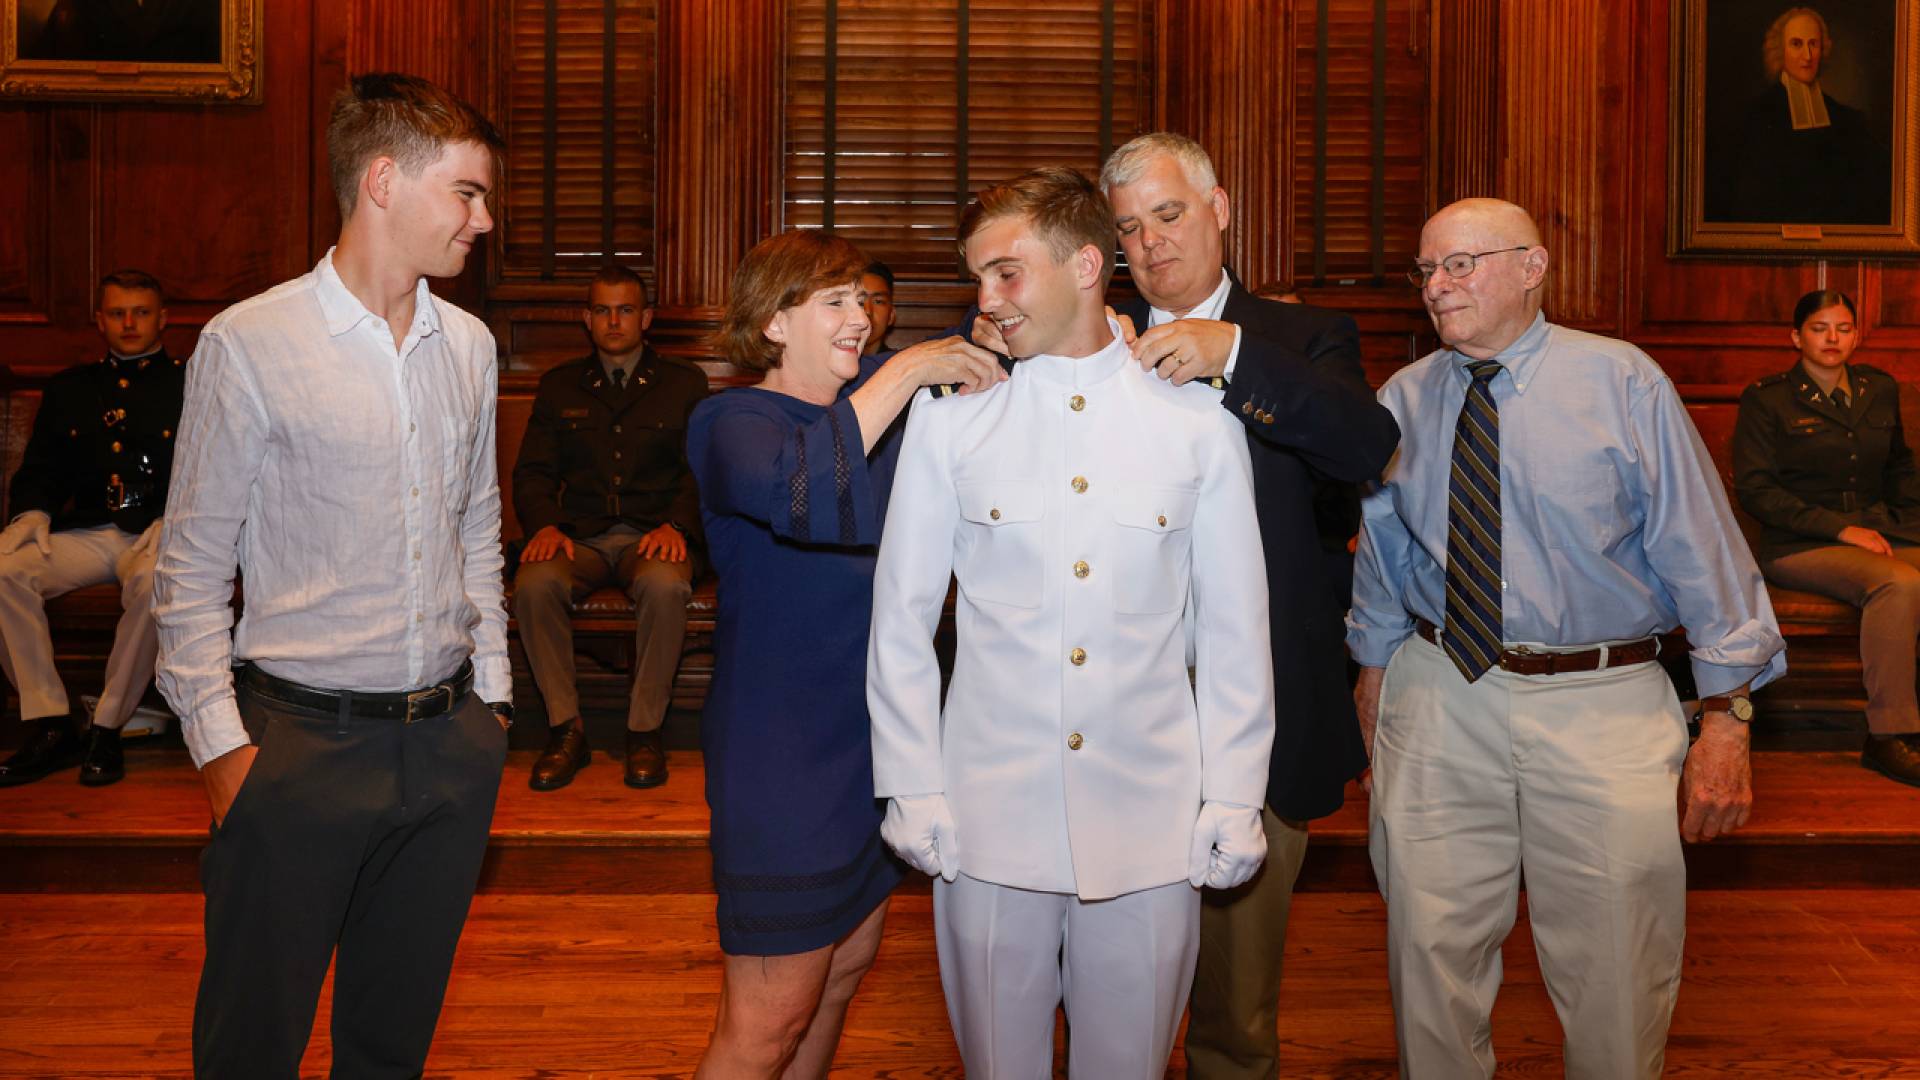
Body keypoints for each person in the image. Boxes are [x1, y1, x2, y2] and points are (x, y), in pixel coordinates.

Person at [1349, 197, 1787, 1078]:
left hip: (1603, 701)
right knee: (1426, 955)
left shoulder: (1623, 383)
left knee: (1617, 963)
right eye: (1426, 271)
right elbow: (1383, 557)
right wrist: (1374, 678)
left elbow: (1704, 553)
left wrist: (1727, 719)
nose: (1438, 287)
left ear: (1533, 267)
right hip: (1442, 691)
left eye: (1460, 265)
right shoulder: (1403, 397)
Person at [868, 166, 1275, 1079]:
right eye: (978, 277)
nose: (987, 299)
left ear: (1087, 264)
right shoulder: (951, 425)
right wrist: (911, 782)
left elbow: (1236, 631)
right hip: (985, 823)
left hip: (1150, 825)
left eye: (1007, 273)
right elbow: (899, 619)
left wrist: (1236, 792)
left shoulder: (1197, 427)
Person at [151, 73, 513, 1078]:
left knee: (389, 1047)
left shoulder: (471, 347)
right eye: (468, 194)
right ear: (384, 181)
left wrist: (491, 704)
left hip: (446, 747)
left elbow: (476, 529)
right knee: (251, 1045)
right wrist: (223, 752)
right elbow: (187, 572)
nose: (484, 220)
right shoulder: (253, 342)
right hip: (298, 746)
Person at [1096, 132, 1400, 1080]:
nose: (1149, 245)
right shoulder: (1088, 347)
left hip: (1256, 715)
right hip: (1109, 720)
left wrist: (1233, 355)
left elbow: (1364, 446)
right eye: (1128, 230)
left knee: (1234, 1016)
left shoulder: (1301, 339)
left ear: (1221, 206)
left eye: (1169, 214)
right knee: (1103, 998)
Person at [685, 229, 1002, 1078]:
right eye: (834, 302)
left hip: (872, 744)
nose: (860, 317)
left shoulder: (889, 421)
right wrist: (902, 368)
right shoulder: (732, 420)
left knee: (840, 979)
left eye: (863, 300)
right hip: (780, 758)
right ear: (774, 321)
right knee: (765, 1023)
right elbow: (800, 488)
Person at [512, 264, 708, 791]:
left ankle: (643, 732)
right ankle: (565, 730)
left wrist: (677, 527)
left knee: (666, 585)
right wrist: (544, 527)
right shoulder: (560, 386)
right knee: (533, 584)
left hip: (653, 535)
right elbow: (533, 471)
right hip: (581, 537)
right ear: (587, 318)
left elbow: (703, 470)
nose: (613, 321)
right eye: (602, 310)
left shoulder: (684, 383)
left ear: (645, 318)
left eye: (625, 310)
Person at [0, 269, 185, 788]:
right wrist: (32, 512)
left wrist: (179, 520)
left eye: (141, 312)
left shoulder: (192, 384)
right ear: (99, 320)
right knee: (2, 570)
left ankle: (107, 726)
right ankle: (49, 723)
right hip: (88, 533)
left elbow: (213, 468)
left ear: (162, 319)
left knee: (156, 583)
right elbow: (40, 469)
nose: (130, 323)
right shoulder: (70, 390)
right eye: (118, 312)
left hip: (155, 533)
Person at [1733, 289, 1920, 787]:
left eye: (1843, 328)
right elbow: (1756, 491)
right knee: (1897, 584)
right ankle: (1888, 735)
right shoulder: (1767, 398)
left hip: (1879, 532)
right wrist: (1841, 529)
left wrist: (1907, 522)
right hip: (1800, 545)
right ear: (1796, 337)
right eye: (1820, 328)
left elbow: (1901, 467)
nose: (1832, 338)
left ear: (1857, 336)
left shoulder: (1878, 388)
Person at [1721, 6, 1890, 225]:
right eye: (1796, 44)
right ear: (1779, 50)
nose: (1808, 56)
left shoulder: (1848, 120)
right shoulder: (1755, 117)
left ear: (1823, 49)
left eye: (1813, 44)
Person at [858, 260, 897, 355]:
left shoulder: (903, 366)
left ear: (891, 315)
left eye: (878, 301)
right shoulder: (821, 366)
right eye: (859, 301)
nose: (867, 311)